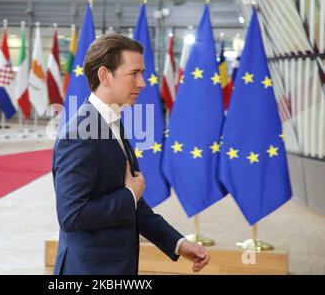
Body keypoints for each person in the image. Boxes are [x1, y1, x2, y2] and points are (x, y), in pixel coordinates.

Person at [52, 33, 210, 275]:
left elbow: (132, 202)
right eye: (134, 73)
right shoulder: (80, 133)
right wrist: (128, 195)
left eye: (142, 73)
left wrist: (178, 244)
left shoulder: (112, 122)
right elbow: (72, 215)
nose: (142, 82)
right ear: (105, 75)